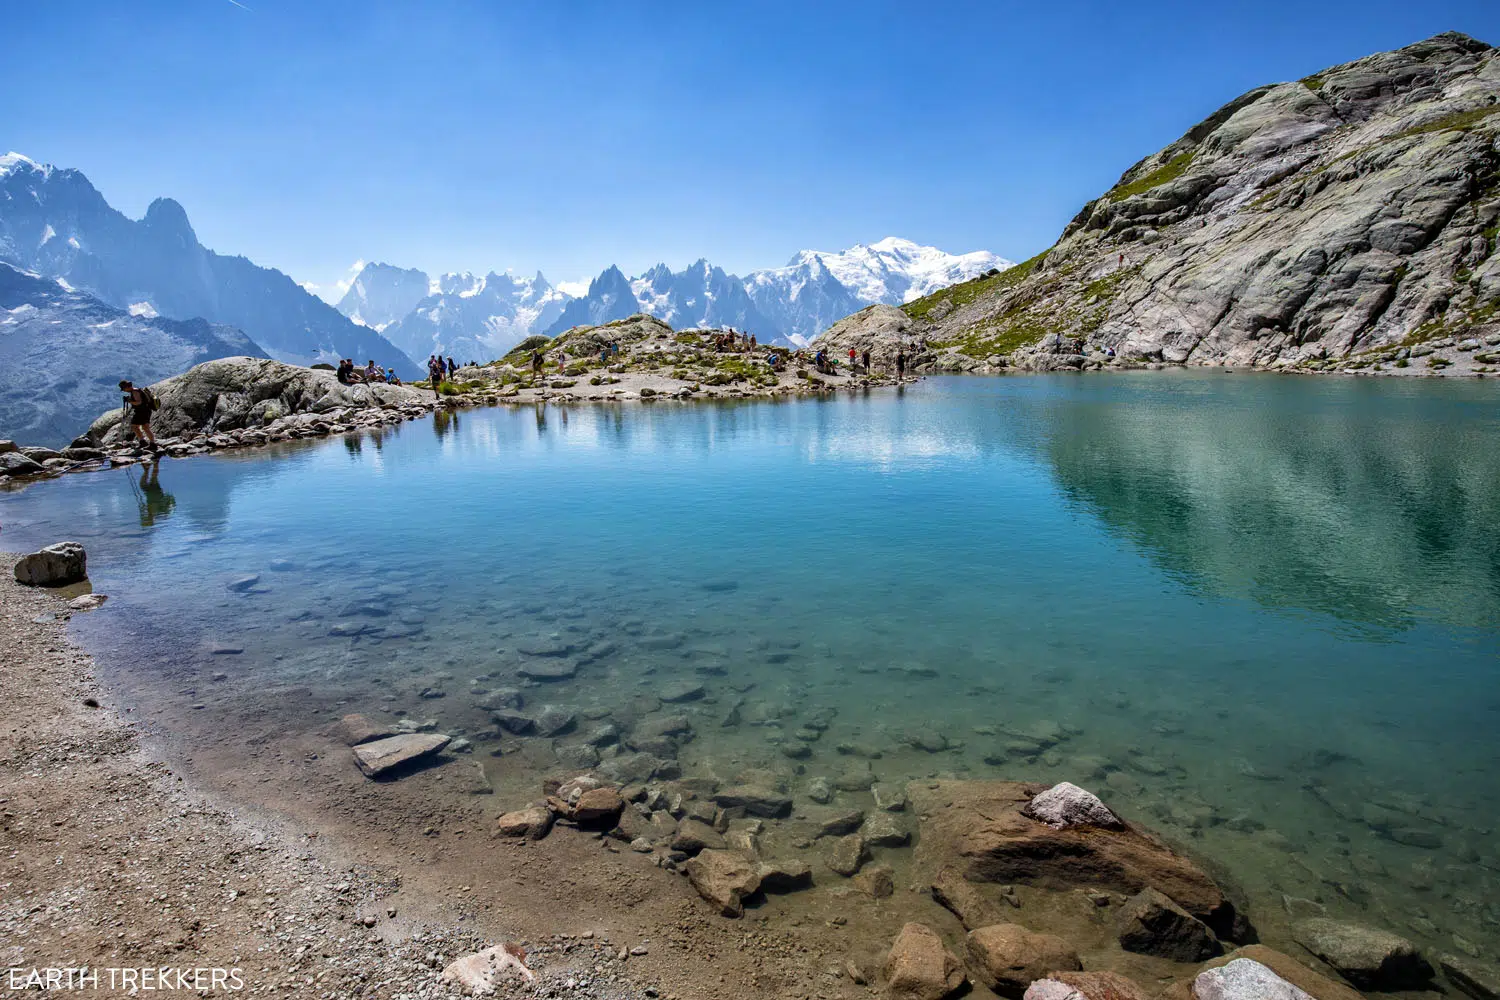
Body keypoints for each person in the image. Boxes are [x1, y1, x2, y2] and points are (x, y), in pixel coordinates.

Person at [118, 380, 160, 449]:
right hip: (146, 411)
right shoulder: (137, 390)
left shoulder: (134, 392)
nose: (124, 390)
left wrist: (129, 401)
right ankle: (151, 443)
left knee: (135, 426)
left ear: (127, 387)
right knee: (145, 427)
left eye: (123, 389)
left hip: (141, 412)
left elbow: (139, 402)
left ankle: (144, 442)